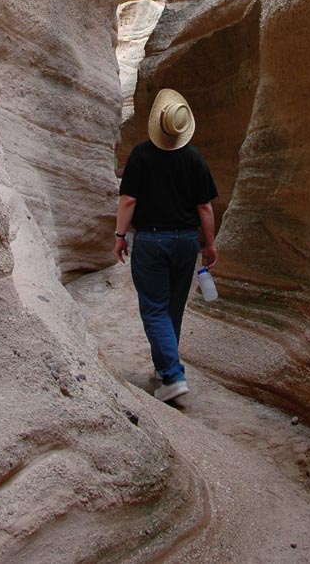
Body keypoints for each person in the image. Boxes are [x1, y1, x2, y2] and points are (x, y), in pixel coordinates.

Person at [114, 88, 218, 401]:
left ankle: (172, 377)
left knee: (155, 309)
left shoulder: (141, 155)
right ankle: (164, 367)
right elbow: (205, 208)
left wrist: (119, 236)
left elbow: (129, 199)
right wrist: (209, 245)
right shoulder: (194, 158)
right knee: (172, 307)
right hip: (186, 241)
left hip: (152, 240)